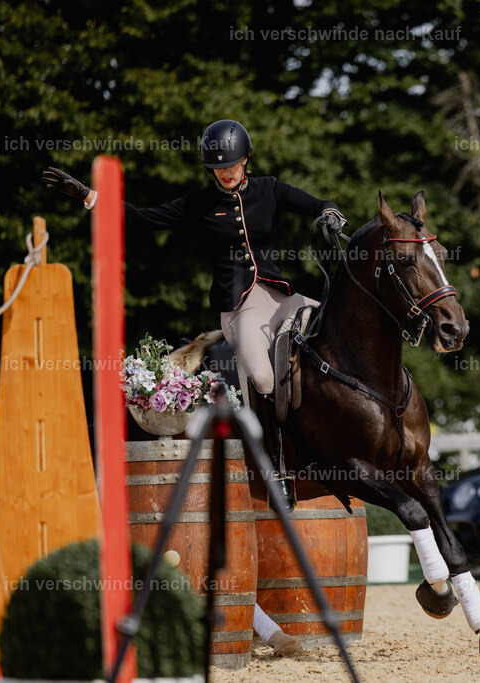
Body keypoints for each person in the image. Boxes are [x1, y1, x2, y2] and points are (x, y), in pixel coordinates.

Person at [42, 119, 345, 656]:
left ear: (245, 161)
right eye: (216, 169)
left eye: (229, 166)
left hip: (281, 295)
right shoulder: (197, 205)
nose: (223, 175)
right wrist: (88, 196)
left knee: (331, 332)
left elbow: (311, 201)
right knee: (259, 374)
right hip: (239, 311)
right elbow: (137, 219)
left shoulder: (271, 189)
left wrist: (326, 210)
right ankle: (275, 451)